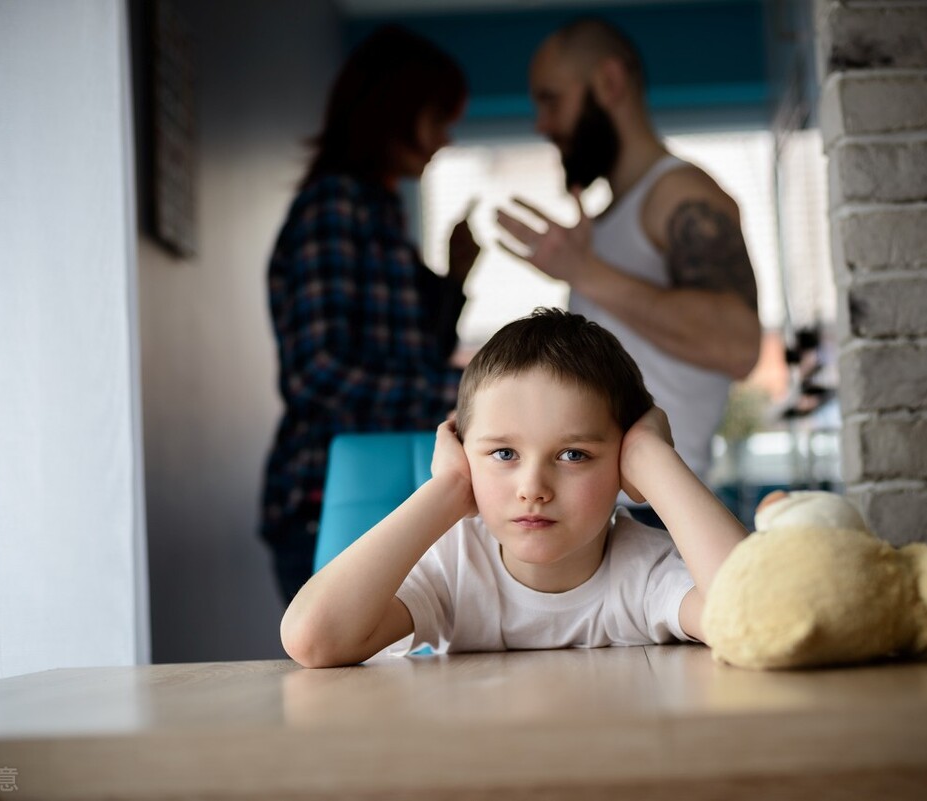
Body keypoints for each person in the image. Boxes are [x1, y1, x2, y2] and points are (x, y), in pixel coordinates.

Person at [280, 308, 748, 668]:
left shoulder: (646, 573)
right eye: (503, 454)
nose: (533, 489)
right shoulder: (454, 568)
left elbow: (759, 614)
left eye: (573, 455)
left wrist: (653, 460)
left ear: (623, 467)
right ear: (465, 454)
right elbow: (313, 639)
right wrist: (447, 488)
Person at [495, 17, 762, 527]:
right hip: (605, 514)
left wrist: (584, 270)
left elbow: (739, 346)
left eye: (551, 100)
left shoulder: (682, 195)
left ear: (610, 83)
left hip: (661, 516)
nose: (541, 123)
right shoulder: (607, 216)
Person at [260, 25, 481, 604]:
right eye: (438, 119)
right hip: (328, 492)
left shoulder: (379, 215)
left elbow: (410, 357)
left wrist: (455, 278)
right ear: (395, 113)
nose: (443, 140)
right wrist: (470, 392)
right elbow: (320, 375)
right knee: (345, 683)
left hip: (379, 480)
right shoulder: (334, 208)